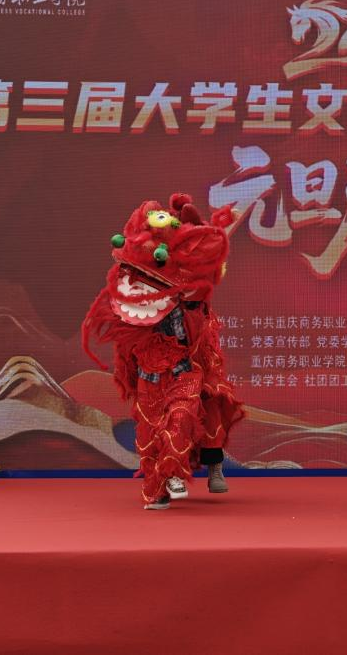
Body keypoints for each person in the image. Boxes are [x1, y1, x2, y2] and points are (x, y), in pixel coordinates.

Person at [81, 195, 243, 509]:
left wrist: (223, 227)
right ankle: (161, 489)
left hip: (189, 362)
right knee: (150, 431)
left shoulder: (192, 291)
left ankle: (209, 465)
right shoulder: (134, 292)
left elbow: (207, 258)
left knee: (200, 409)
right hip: (151, 374)